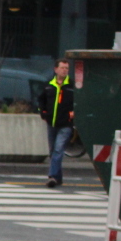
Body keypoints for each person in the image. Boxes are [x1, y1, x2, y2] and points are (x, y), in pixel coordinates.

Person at [39, 58, 76, 188]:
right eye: (62, 68)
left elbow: (78, 103)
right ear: (56, 69)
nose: (64, 70)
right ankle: (58, 177)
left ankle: (52, 176)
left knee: (58, 149)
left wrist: (73, 113)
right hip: (51, 123)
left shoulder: (72, 86)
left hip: (66, 123)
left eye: (66, 68)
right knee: (53, 151)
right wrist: (43, 113)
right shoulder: (49, 85)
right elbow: (41, 100)